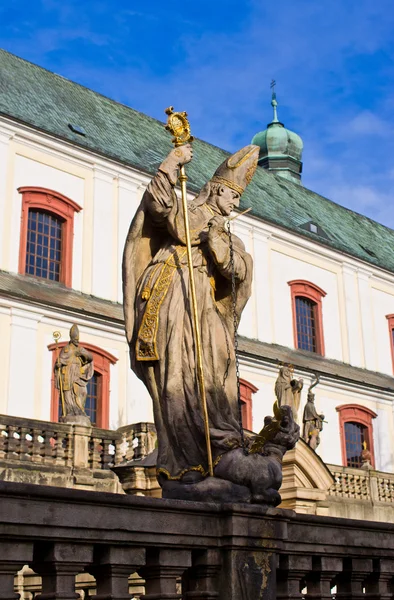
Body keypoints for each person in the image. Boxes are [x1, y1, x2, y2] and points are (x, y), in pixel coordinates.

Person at [123, 143, 259, 483]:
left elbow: (240, 269)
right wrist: (172, 162)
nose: (235, 205)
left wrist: (220, 250)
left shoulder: (225, 233)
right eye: (232, 197)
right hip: (170, 300)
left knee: (211, 372)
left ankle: (215, 449)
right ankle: (185, 461)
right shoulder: (184, 210)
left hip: (201, 305)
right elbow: (158, 205)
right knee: (174, 377)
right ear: (215, 189)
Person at [54, 324, 94, 418]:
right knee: (68, 393)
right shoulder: (66, 349)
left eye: (78, 339)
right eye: (75, 339)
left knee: (82, 392)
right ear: (71, 338)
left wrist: (83, 354)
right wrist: (58, 364)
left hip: (77, 374)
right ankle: (70, 412)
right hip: (67, 374)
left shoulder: (80, 349)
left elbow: (90, 357)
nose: (77, 341)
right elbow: (60, 360)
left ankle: (80, 410)